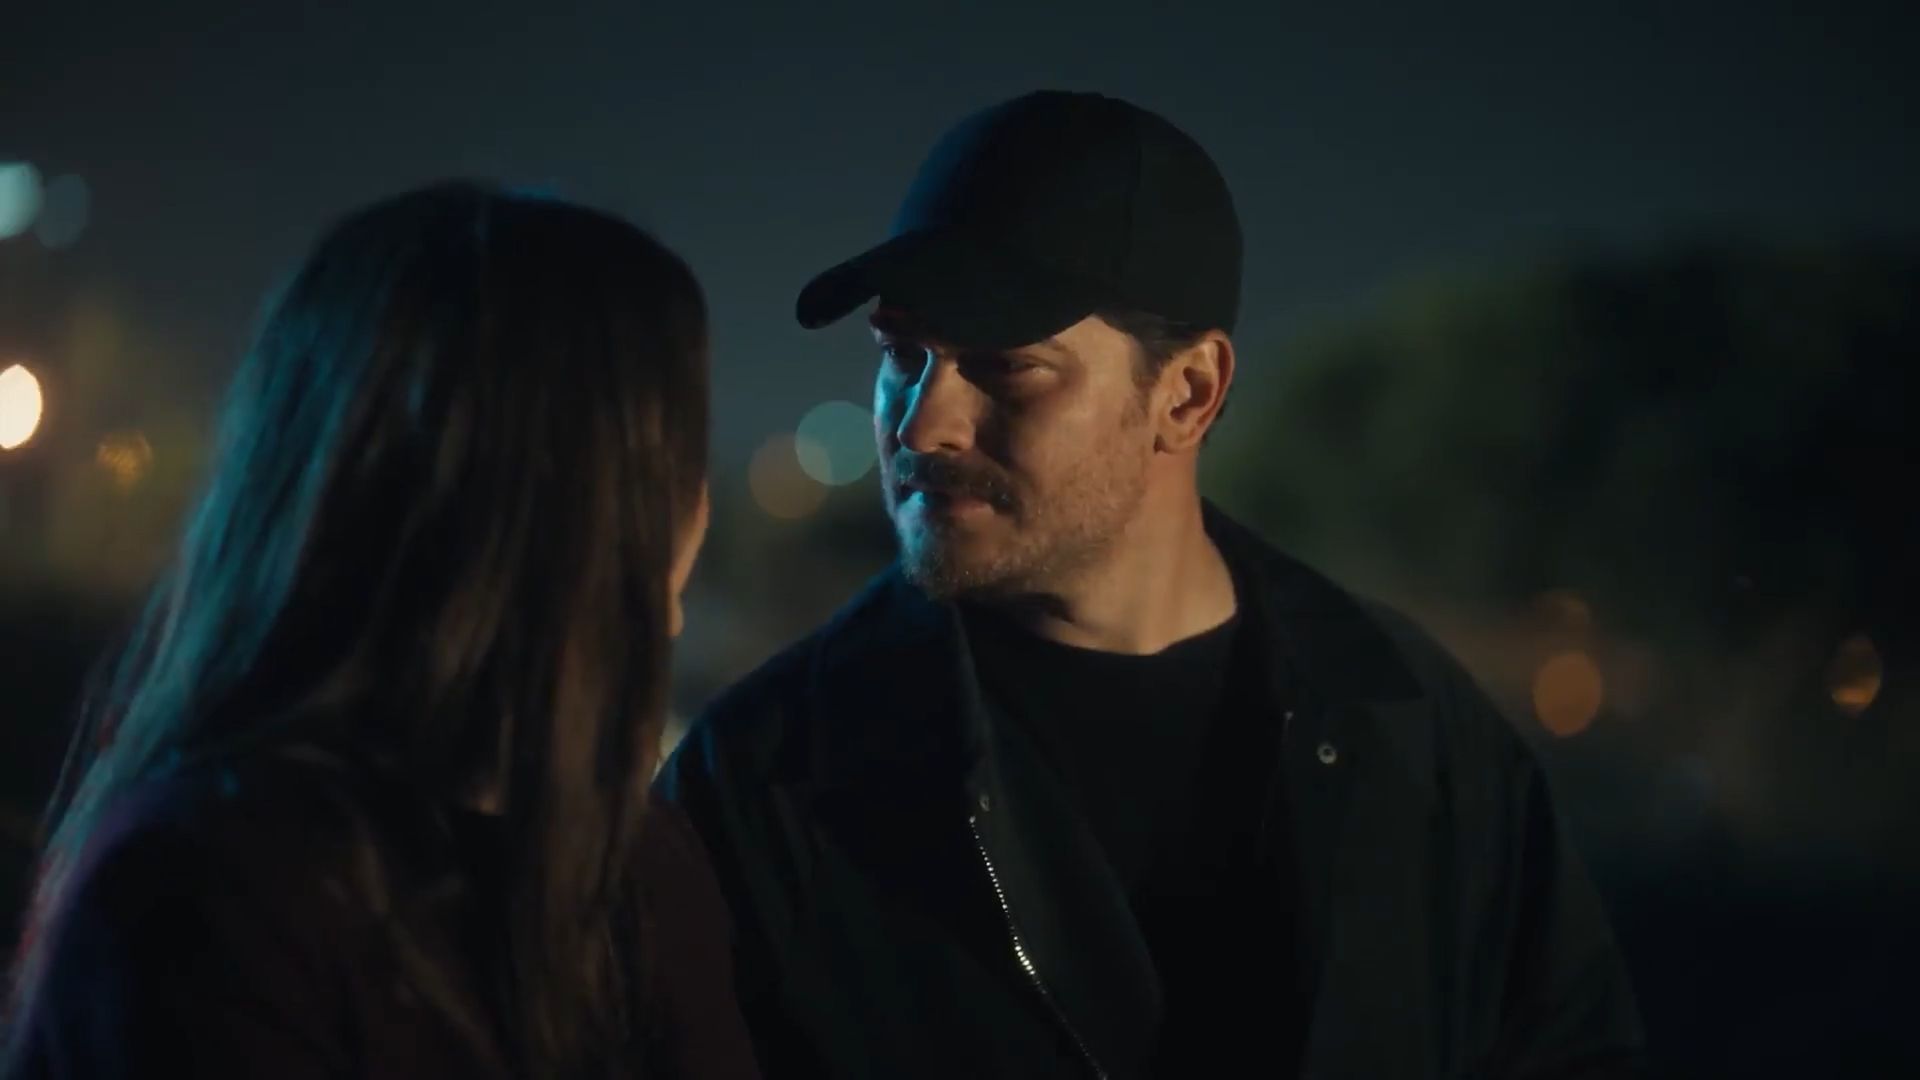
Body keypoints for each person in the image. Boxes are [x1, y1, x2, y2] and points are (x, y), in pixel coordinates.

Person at [657, 91, 1646, 1078]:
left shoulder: (1413, 730)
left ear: (1188, 393)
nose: (922, 424)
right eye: (902, 354)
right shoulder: (763, 780)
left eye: (1005, 365)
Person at [3, 183, 760, 1080]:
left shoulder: (636, 866)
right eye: (680, 452)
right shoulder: (213, 900)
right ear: (601, 511)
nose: (701, 507)